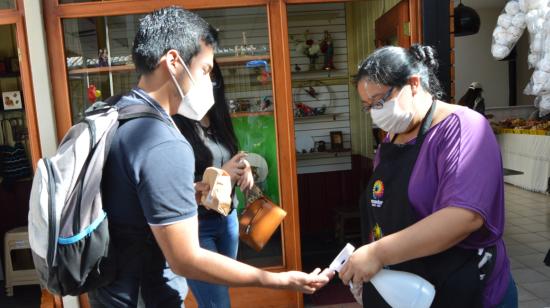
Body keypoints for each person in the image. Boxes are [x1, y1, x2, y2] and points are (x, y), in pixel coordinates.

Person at [88, 6, 329, 308]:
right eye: (204, 70)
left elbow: (130, 203)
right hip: (144, 295)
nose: (208, 82)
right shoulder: (161, 140)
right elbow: (186, 260)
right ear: (174, 61)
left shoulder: (116, 113)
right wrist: (278, 280)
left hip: (111, 291)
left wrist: (189, 190)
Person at [338, 45, 516, 308]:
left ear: (413, 84)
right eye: (368, 107)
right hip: (411, 290)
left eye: (379, 101)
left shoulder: (464, 128)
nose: (376, 113)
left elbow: (463, 217)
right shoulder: (392, 138)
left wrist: (378, 253)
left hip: (465, 291)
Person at [172, 59, 254, 307]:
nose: (210, 84)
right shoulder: (175, 124)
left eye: (214, 78)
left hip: (228, 218)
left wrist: (244, 167)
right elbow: (174, 183)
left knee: (219, 295)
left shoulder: (218, 119)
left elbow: (231, 155)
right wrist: (224, 173)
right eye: (205, 76)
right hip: (197, 226)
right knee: (217, 303)